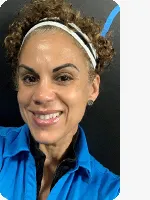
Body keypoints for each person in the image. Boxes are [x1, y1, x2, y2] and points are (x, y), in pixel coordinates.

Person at [0, 0, 120, 199]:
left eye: (63, 77)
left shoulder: (111, 191)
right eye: (30, 78)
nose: (41, 95)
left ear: (92, 88)